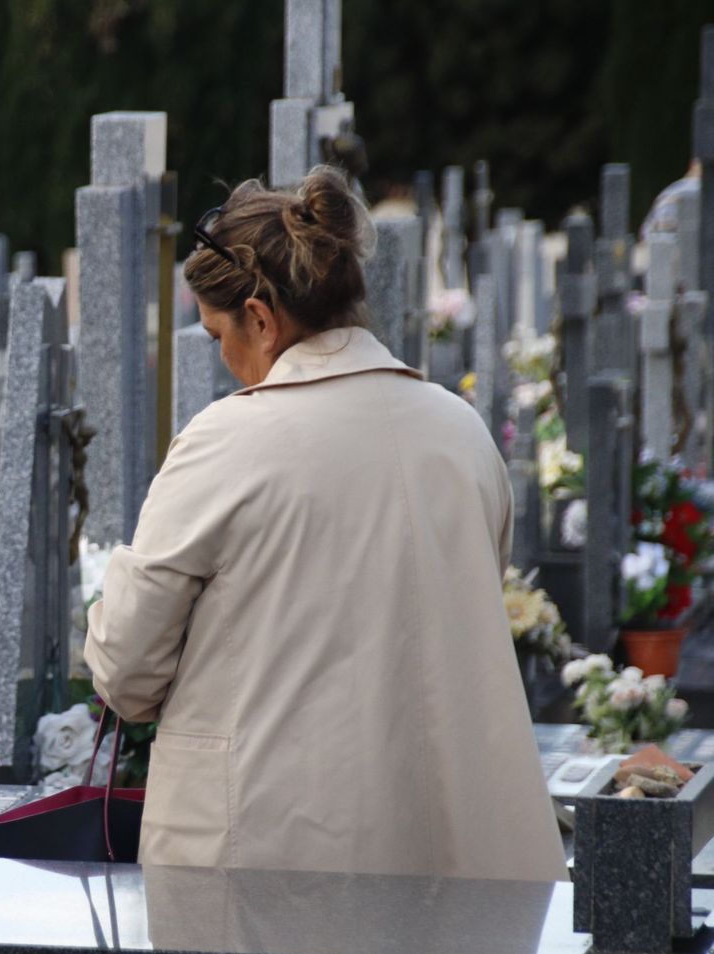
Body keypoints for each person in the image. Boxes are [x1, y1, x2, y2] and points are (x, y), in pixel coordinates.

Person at [84, 166, 565, 882]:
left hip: (267, 848)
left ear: (260, 318)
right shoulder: (461, 433)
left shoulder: (227, 441)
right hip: (447, 847)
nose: (222, 356)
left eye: (220, 332)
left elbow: (125, 671)